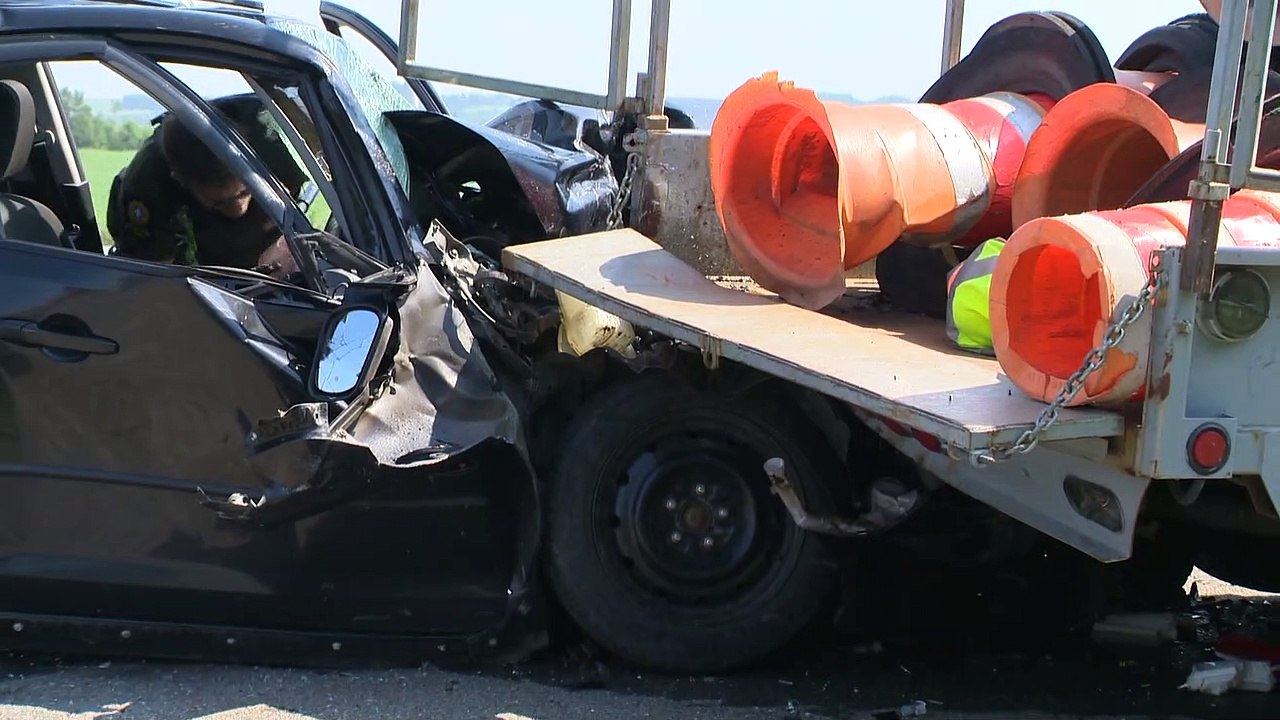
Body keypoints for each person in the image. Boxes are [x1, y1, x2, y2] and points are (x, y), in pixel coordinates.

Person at [106, 97, 308, 277]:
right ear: (182, 181)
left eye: (244, 192)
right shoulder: (150, 180)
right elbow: (152, 277)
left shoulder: (277, 140)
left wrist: (285, 246)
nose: (238, 209)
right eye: (221, 203)